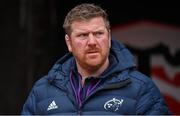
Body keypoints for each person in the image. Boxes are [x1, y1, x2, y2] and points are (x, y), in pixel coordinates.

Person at [21, 3, 171, 115]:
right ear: (69, 43)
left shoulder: (142, 89)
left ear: (109, 37)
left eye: (98, 33)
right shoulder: (42, 91)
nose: (92, 42)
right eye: (83, 35)